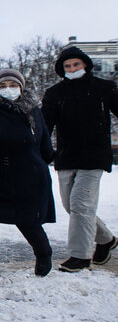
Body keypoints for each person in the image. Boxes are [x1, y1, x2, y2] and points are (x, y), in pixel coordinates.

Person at [0, 69, 55, 281]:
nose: (8, 89)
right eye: (2, 86)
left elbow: (44, 142)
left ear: (21, 88)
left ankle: (44, 253)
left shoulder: (33, 111)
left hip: (27, 174)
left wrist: (48, 159)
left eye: (12, 85)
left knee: (26, 218)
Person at [42, 47, 118, 271]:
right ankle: (105, 239)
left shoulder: (103, 88)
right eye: (68, 66)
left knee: (81, 205)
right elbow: (45, 127)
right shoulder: (55, 93)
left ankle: (80, 257)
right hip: (66, 157)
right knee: (71, 206)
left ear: (85, 64)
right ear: (62, 69)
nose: (73, 69)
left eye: (76, 64)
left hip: (95, 156)